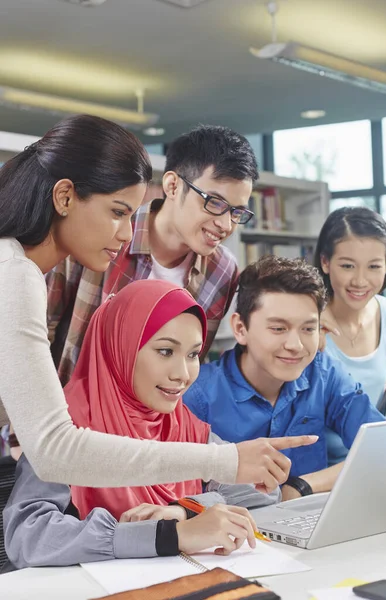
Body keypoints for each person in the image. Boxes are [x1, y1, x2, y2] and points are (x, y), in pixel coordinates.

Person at [0, 114, 310, 491]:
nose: (127, 233)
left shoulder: (220, 272)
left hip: (109, 455)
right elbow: (52, 445)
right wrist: (224, 460)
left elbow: (175, 382)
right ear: (64, 197)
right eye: (117, 212)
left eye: (131, 215)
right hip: (58, 451)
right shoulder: (18, 272)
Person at [4, 280, 284, 570]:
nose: (183, 374)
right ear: (120, 347)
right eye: (165, 351)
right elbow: (29, 536)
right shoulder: (66, 426)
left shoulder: (178, 421)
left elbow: (261, 488)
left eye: (192, 355)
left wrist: (182, 510)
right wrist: (168, 535)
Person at [46, 124, 258, 386]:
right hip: (69, 412)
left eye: (237, 212)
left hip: (150, 422)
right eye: (214, 203)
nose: (226, 225)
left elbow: (189, 367)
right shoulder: (99, 232)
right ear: (172, 186)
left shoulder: (223, 270)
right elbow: (39, 332)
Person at [183, 255, 385, 500]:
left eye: (308, 329)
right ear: (240, 329)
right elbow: (177, 493)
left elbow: (383, 448)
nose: (295, 345)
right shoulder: (196, 395)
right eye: (278, 328)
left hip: (310, 522)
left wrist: (302, 485)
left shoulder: (324, 374)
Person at [314, 206, 386, 464]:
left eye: (374, 266)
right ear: (325, 262)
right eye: (348, 265)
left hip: (372, 463)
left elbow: (383, 388)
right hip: (313, 471)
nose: (360, 281)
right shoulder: (305, 322)